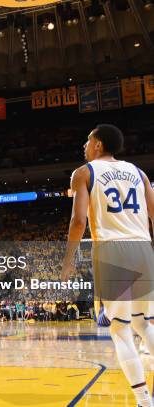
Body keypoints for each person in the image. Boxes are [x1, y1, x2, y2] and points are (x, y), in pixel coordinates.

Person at [61, 124, 154, 407]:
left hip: (113, 249)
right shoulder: (139, 173)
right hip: (143, 246)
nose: (85, 146)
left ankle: (143, 400)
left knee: (120, 329)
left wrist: (68, 260)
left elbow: (78, 222)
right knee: (145, 323)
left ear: (99, 144)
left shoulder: (84, 172)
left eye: (87, 141)